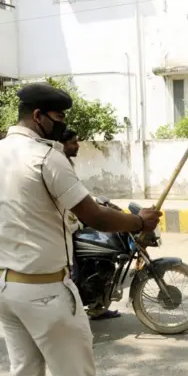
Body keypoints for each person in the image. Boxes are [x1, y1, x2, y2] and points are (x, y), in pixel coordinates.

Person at [0, 82, 161, 376]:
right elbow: (94, 216)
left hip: (2, 287)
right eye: (57, 117)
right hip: (44, 290)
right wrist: (139, 222)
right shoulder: (46, 157)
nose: (62, 125)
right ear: (38, 116)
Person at [62, 129, 121, 320]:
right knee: (74, 275)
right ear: (62, 144)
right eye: (73, 142)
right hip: (65, 229)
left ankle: (98, 305)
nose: (77, 146)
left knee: (99, 261)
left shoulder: (66, 164)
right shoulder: (56, 164)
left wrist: (97, 202)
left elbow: (79, 193)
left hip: (76, 224)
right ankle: (73, 317)